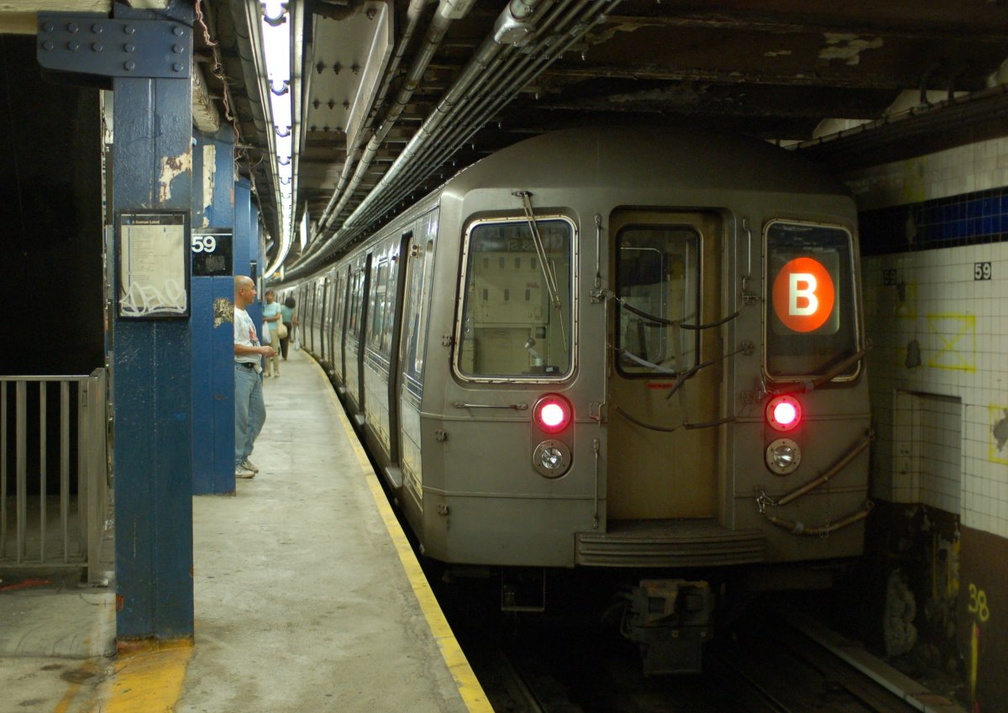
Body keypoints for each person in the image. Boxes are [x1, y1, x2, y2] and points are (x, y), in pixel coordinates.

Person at [234, 275, 276, 479]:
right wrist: (261, 350)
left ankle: (243, 456)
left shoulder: (245, 313)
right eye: (252, 289)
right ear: (242, 291)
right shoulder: (232, 314)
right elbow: (232, 346)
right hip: (241, 371)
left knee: (258, 416)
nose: (255, 293)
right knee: (240, 420)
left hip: (253, 372)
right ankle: (235, 462)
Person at [261, 289, 283, 377]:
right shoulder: (263, 306)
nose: (268, 297)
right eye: (267, 295)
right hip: (265, 330)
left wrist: (266, 319)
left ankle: (276, 370)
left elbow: (277, 317)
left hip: (274, 329)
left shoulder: (277, 305)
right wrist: (270, 318)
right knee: (266, 350)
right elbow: (262, 315)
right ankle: (267, 370)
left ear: (273, 296)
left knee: (274, 350)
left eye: (270, 295)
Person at [280, 295, 297, 359]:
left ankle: (281, 352)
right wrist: (297, 323)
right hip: (289, 325)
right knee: (286, 340)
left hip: (282, 324)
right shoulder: (293, 309)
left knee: (281, 340)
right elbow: (293, 320)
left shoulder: (282, 307)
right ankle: (285, 355)